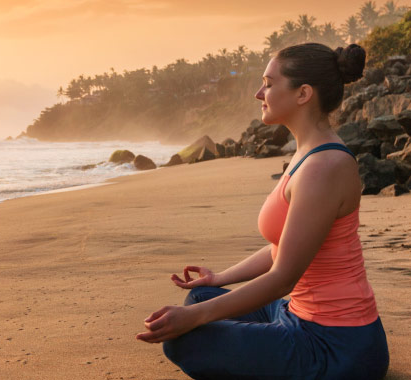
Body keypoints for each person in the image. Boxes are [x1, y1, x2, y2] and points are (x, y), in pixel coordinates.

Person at [134, 42, 390, 380]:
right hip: (295, 315)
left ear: (303, 94)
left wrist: (194, 319)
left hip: (335, 344)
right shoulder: (306, 154)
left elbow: (283, 277)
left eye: (269, 83)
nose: (259, 93)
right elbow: (282, 247)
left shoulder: (324, 166)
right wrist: (220, 278)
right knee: (200, 295)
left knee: (184, 341)